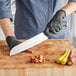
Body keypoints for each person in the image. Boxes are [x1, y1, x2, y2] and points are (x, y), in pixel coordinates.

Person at [0, 0, 76, 50]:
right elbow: (2, 5)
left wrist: (63, 13)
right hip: (27, 39)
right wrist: (10, 37)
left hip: (60, 35)